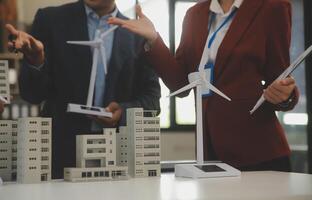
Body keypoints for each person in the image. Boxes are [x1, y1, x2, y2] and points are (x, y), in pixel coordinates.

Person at [109, 0, 299, 171]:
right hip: (210, 151)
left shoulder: (272, 8)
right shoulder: (195, 14)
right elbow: (180, 83)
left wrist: (285, 94)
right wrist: (153, 39)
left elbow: (281, 78)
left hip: (258, 151)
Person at [6, 0, 161, 178]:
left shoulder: (137, 34)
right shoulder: (50, 20)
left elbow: (153, 101)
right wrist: (36, 61)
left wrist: (122, 112)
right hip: (60, 161)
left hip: (117, 160)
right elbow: (31, 94)